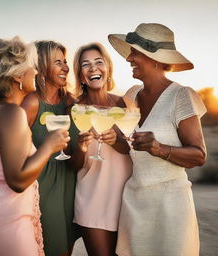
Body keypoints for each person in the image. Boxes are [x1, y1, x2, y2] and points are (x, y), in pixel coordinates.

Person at [0, 36, 70, 256]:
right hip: (5, 215)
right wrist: (48, 147)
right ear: (18, 75)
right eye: (32, 67)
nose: (37, 72)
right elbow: (17, 181)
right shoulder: (12, 113)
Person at [108, 23, 207, 256]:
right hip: (134, 202)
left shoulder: (182, 96)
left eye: (135, 53)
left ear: (155, 58)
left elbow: (199, 155)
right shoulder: (131, 95)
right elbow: (127, 146)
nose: (129, 58)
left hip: (171, 205)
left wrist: (159, 148)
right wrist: (111, 138)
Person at [21, 40, 91, 256]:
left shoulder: (72, 104)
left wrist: (81, 149)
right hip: (41, 189)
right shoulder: (31, 103)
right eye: (57, 62)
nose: (66, 68)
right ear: (42, 67)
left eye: (65, 62)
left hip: (70, 188)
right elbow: (17, 155)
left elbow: (76, 163)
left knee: (65, 249)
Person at [72, 42, 133, 256]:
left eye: (99, 62)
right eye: (86, 65)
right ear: (80, 75)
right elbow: (73, 165)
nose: (93, 68)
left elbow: (132, 149)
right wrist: (80, 148)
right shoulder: (75, 109)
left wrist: (116, 140)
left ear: (108, 68)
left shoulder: (126, 105)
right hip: (93, 200)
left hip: (128, 201)